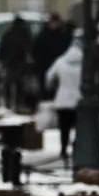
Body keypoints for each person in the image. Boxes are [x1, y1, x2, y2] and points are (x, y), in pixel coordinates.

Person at [46, 33, 84, 164]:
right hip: (79, 100)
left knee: (64, 128)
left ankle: (63, 149)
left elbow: (49, 77)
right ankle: (78, 149)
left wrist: (52, 87)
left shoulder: (61, 61)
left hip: (62, 100)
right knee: (80, 127)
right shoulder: (84, 62)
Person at [0, 16, 33, 110]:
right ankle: (18, 104)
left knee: (8, 83)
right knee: (19, 84)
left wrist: (2, 60)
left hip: (9, 62)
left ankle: (8, 103)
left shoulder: (8, 34)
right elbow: (28, 48)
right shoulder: (24, 34)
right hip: (20, 62)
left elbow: (1, 49)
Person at [32, 13, 72, 97]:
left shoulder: (62, 35)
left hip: (56, 65)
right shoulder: (43, 36)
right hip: (45, 65)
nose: (55, 25)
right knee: (46, 88)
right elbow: (36, 51)